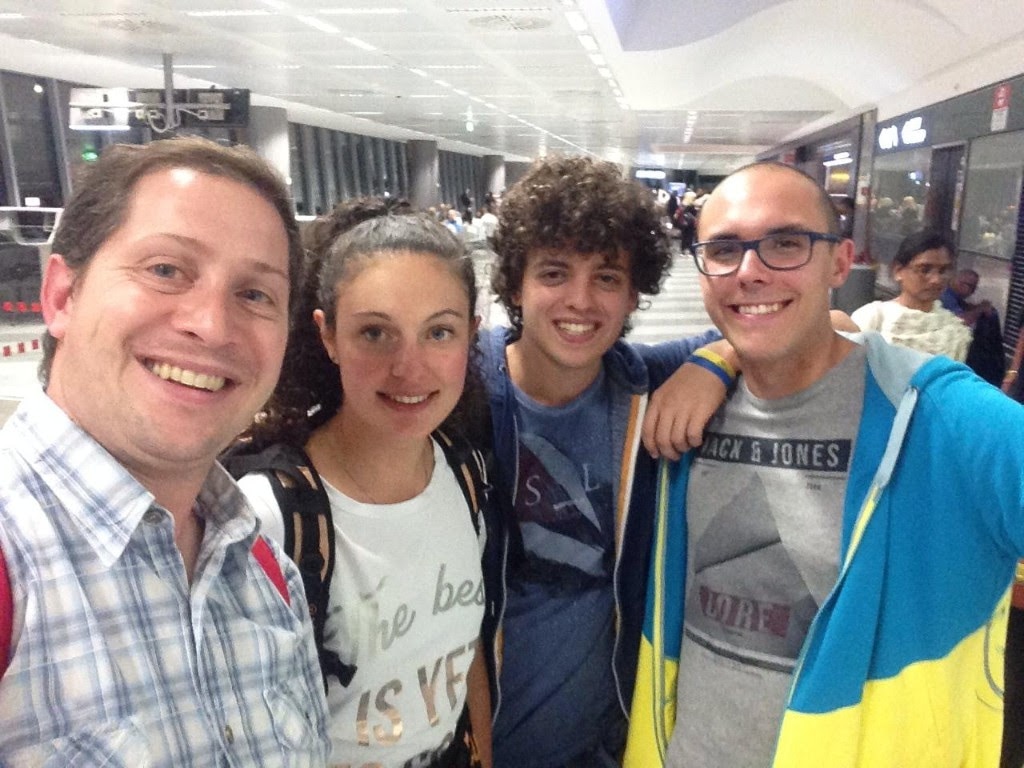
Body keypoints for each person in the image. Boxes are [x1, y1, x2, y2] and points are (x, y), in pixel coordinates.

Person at [627, 160, 1024, 767]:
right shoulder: (681, 416)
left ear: (840, 264)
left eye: (786, 243)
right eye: (725, 250)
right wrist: (716, 358)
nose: (750, 271)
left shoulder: (943, 419)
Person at [0, 137, 330, 765]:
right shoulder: (13, 567)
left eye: (254, 295)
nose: (211, 324)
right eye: (166, 270)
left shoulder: (265, 572)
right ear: (62, 296)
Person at [481, 155, 736, 767]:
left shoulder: (642, 383)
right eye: (554, 273)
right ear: (515, 285)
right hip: (478, 744)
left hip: (601, 747)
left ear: (632, 295)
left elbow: (828, 326)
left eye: (606, 277)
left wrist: (715, 362)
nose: (580, 300)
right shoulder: (464, 394)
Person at [235, 200, 496, 768]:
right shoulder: (273, 515)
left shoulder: (465, 474)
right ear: (327, 335)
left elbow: (466, 652)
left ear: (471, 335)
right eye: (375, 333)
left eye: (439, 332)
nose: (409, 368)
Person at [849, 228, 972, 361]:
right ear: (898, 271)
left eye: (943, 271)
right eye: (924, 270)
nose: (936, 280)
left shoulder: (954, 329)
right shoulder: (873, 318)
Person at [941, 268, 1006, 386]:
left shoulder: (954, 296)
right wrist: (981, 309)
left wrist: (978, 307)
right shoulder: (946, 295)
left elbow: (964, 308)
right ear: (960, 283)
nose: (972, 292)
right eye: (971, 287)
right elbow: (961, 320)